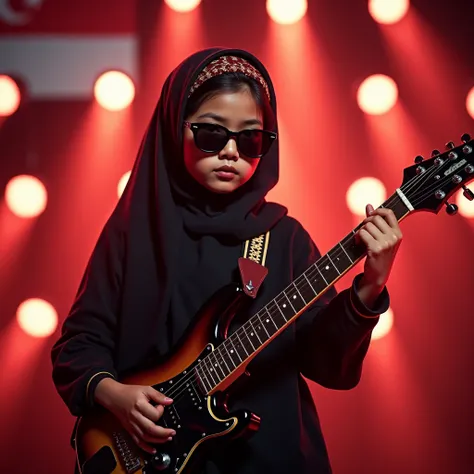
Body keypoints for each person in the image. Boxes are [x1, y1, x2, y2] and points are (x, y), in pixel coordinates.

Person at [51, 48, 402, 474]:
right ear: (173, 128)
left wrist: (370, 285)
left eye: (251, 138)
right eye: (212, 135)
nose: (232, 152)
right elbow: (78, 346)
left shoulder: (283, 238)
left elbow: (329, 366)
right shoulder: (131, 234)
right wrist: (114, 396)